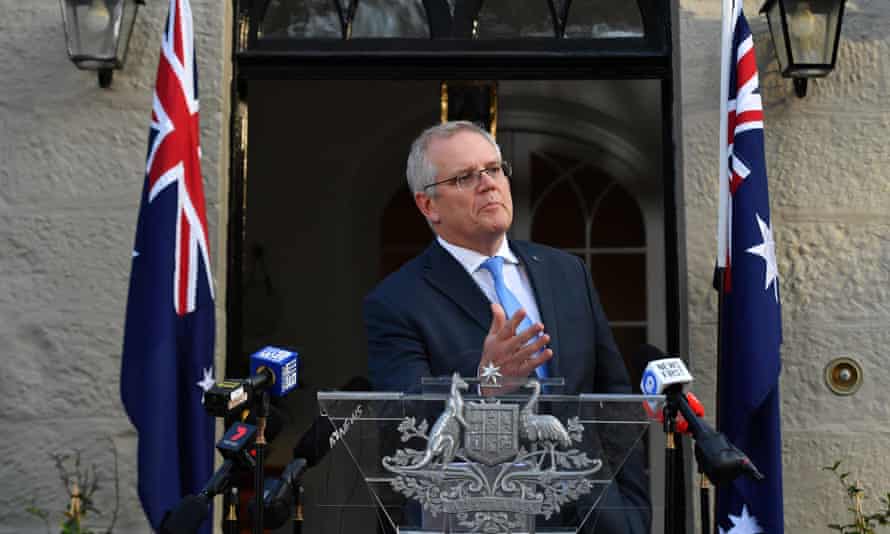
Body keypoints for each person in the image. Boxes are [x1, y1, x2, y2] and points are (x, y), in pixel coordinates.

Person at [363, 120, 650, 534]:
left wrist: (632, 510)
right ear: (429, 206)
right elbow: (403, 424)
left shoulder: (567, 272)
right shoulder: (397, 301)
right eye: (465, 177)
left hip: (596, 515)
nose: (488, 185)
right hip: (478, 514)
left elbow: (613, 394)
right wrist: (485, 385)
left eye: (494, 170)